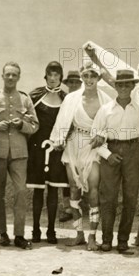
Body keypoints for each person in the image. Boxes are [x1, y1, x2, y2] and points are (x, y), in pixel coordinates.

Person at [84, 46, 139, 247]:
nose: (124, 88)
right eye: (121, 85)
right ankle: (107, 240)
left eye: (128, 85)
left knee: (130, 197)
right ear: (116, 87)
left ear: (133, 86)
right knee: (108, 197)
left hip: (133, 152)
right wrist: (107, 155)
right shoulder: (106, 110)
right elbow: (95, 137)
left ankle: (123, 240)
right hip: (111, 152)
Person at [50, 61, 112, 251]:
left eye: (93, 75)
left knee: (93, 192)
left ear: (98, 78)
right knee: (74, 190)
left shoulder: (106, 100)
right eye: (86, 76)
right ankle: (79, 234)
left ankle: (92, 236)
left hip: (93, 147)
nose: (89, 79)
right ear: (81, 77)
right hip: (73, 145)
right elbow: (62, 122)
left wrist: (103, 136)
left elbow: (112, 124)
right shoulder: (71, 98)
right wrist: (58, 140)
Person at [0, 62, 39, 250]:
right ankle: (2, 232)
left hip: (19, 152)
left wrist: (21, 125)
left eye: (14, 75)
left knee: (20, 191)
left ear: (19, 77)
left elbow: (35, 125)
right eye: (8, 74)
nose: (11, 78)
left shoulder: (25, 100)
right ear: (2, 76)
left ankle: (19, 234)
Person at [26, 61, 69, 244]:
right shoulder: (35, 95)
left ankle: (51, 230)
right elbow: (27, 117)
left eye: (56, 75)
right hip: (37, 150)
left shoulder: (66, 98)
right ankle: (36, 229)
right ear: (45, 76)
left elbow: (69, 123)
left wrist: (62, 142)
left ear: (60, 77)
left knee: (53, 191)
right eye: (50, 74)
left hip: (56, 150)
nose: (53, 78)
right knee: (37, 191)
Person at [56, 70, 83, 223]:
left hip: (81, 140)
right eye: (71, 82)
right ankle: (67, 207)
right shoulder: (63, 99)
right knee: (65, 176)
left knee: (83, 175)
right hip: (64, 142)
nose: (73, 85)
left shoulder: (85, 98)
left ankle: (79, 207)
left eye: (76, 82)